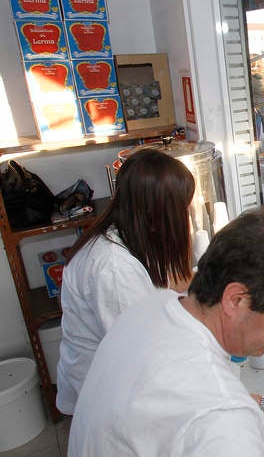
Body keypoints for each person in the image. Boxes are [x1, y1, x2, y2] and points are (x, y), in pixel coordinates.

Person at [69, 206, 264, 455]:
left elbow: (171, 406)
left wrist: (263, 404)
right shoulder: (226, 422)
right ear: (236, 299)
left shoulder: (150, 307)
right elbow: (207, 409)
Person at [57, 149, 195, 415]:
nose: (186, 216)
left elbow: (169, 283)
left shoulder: (128, 234)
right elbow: (144, 359)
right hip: (107, 396)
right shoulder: (113, 268)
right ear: (158, 212)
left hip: (119, 379)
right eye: (182, 208)